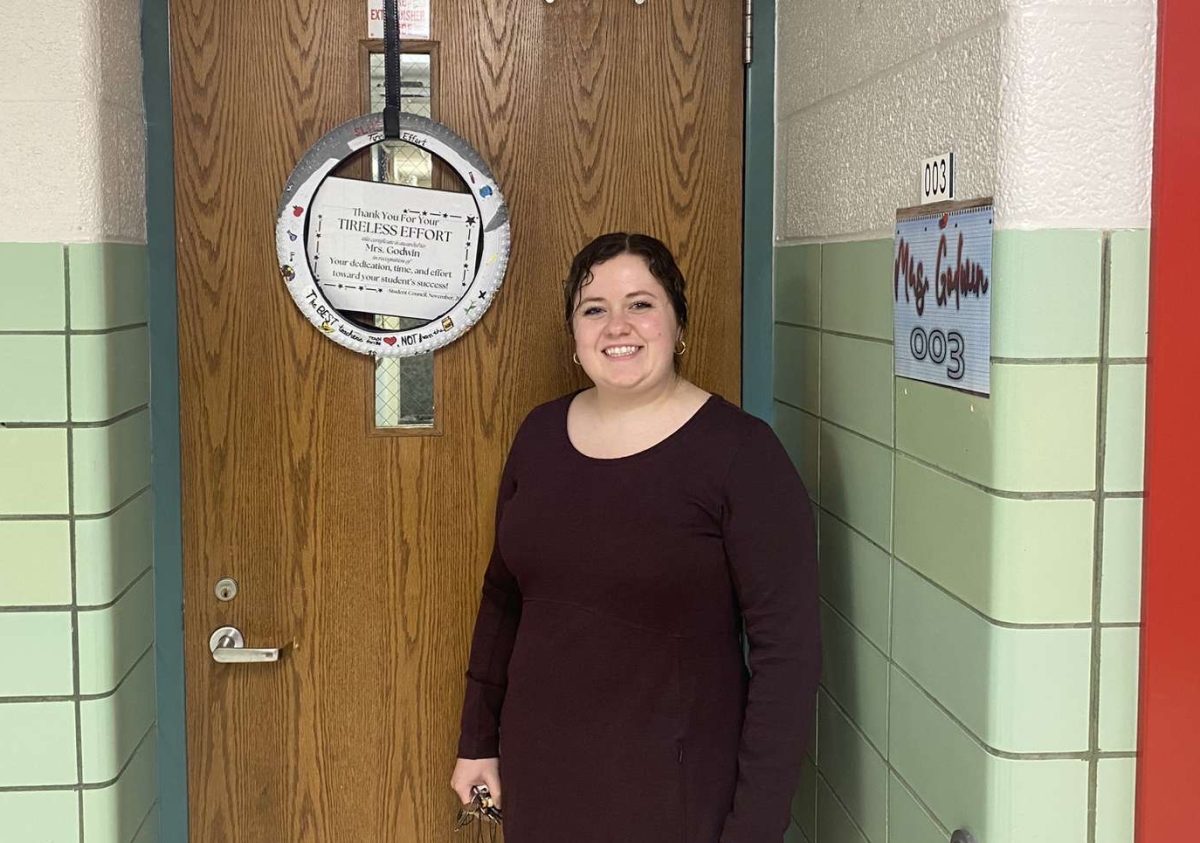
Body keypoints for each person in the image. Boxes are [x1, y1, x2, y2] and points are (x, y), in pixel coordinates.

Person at [450, 232, 820, 842]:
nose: (617, 326)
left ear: (679, 324)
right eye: (594, 309)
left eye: (641, 304)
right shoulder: (539, 436)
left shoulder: (742, 455)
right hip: (543, 778)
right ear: (574, 336)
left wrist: (754, 828)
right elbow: (502, 598)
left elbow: (788, 659)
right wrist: (477, 741)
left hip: (674, 792)